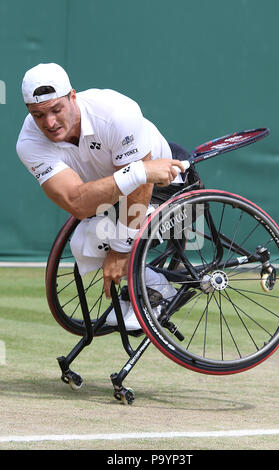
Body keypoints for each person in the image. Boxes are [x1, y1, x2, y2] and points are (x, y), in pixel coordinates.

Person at [16, 63, 186, 330]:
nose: (49, 123)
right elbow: (76, 203)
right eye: (38, 115)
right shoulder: (29, 143)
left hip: (169, 184)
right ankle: (152, 287)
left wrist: (120, 252)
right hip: (122, 191)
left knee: (101, 235)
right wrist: (139, 171)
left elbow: (142, 189)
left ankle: (157, 292)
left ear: (73, 96)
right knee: (83, 243)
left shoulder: (116, 113)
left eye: (56, 110)